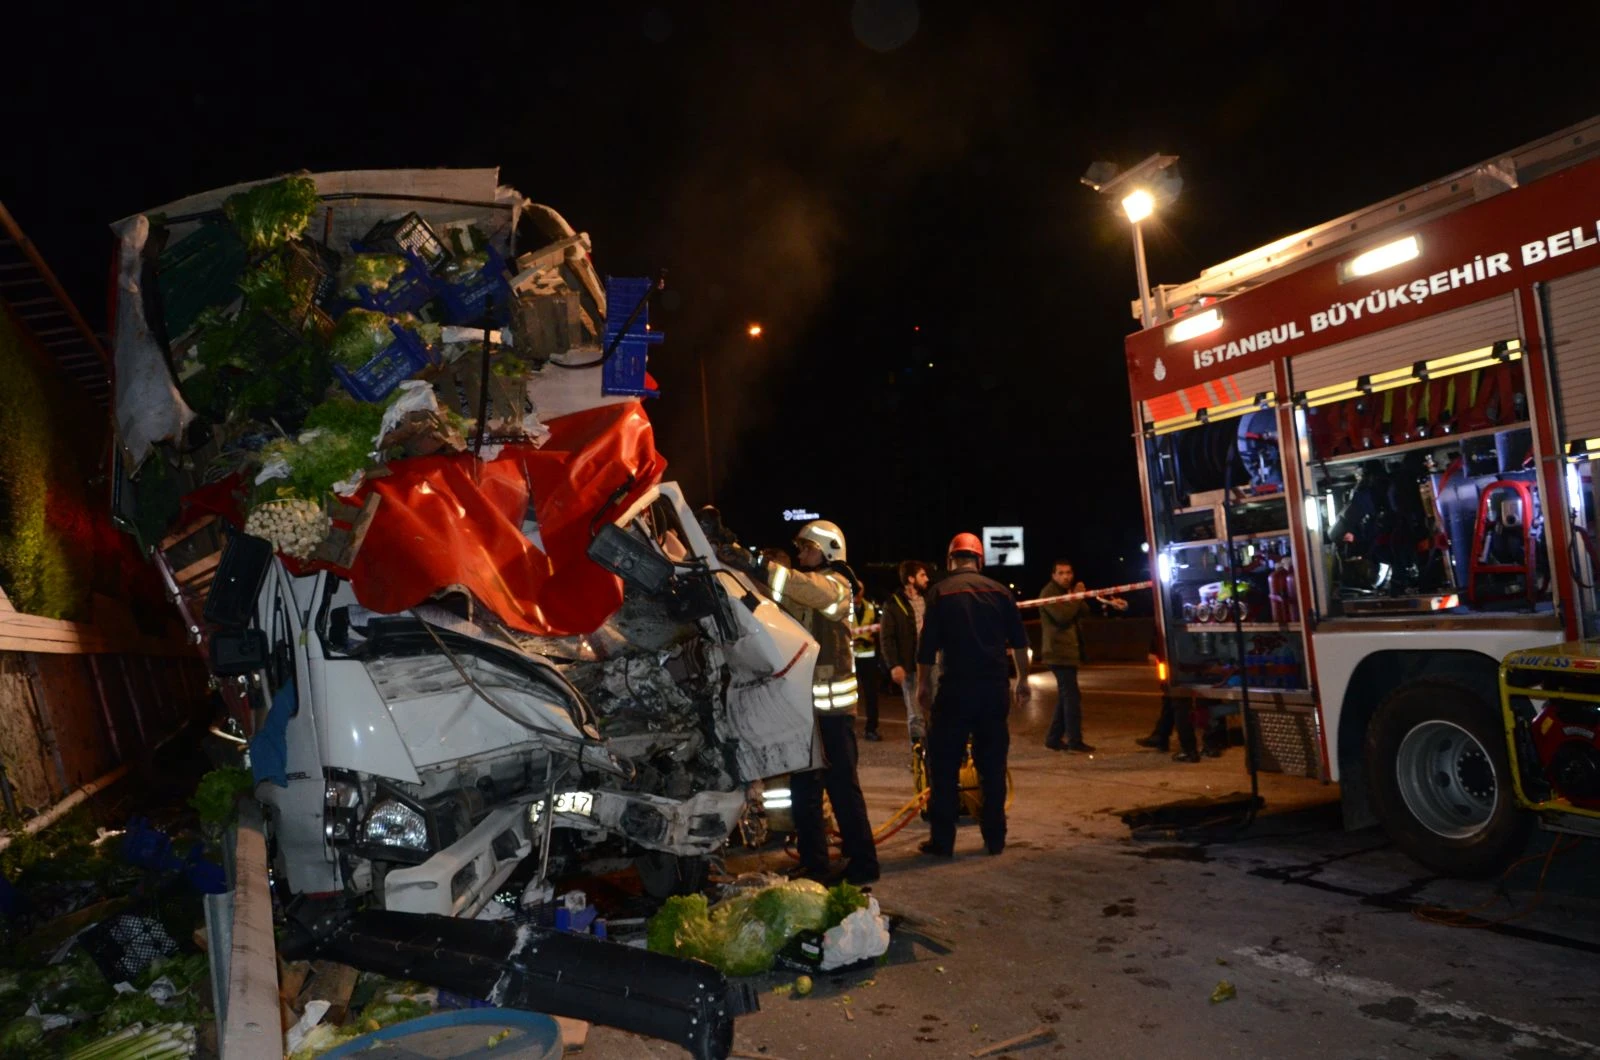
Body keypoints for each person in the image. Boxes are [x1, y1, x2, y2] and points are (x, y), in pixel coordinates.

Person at [732, 519, 880, 885]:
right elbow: (771, 594)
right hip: (805, 711)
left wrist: (755, 562)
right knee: (804, 790)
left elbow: (798, 586)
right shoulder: (808, 586)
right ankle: (815, 865)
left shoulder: (838, 586)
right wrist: (734, 565)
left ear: (828, 549)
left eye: (806, 548)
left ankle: (864, 863)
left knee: (842, 788)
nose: (800, 554)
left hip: (833, 713)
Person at [915, 533, 1030, 858]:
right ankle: (995, 840)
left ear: (951, 560)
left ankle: (943, 842)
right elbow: (1019, 643)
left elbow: (926, 649)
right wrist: (1023, 680)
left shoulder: (939, 593)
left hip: (954, 691)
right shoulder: (1001, 593)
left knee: (944, 768)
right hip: (993, 690)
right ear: (979, 560)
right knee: (993, 768)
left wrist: (924, 685)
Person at [1039, 559, 1096, 753]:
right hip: (1057, 653)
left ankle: (1053, 739)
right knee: (1071, 697)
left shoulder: (1067, 593)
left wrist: (1077, 596)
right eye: (1061, 573)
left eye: (1069, 573)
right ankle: (1074, 740)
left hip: (1069, 652)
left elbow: (1085, 612)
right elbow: (1062, 617)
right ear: (1053, 575)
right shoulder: (1048, 593)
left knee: (1067, 696)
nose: (1066, 577)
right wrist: (1077, 596)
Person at [879, 559, 931, 741]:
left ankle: (936, 757)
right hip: (910, 669)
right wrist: (894, 665)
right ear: (910, 579)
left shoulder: (930, 600)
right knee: (916, 716)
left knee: (936, 713)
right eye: (922, 575)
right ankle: (918, 758)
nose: (927, 579)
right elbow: (886, 638)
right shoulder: (893, 604)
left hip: (932, 666)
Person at [852, 587, 883, 741]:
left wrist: (872, 640)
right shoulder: (844, 608)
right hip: (850, 657)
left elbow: (879, 629)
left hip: (868, 657)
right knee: (848, 696)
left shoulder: (871, 607)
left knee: (871, 695)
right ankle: (849, 728)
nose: (857, 595)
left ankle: (871, 729)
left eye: (859, 592)